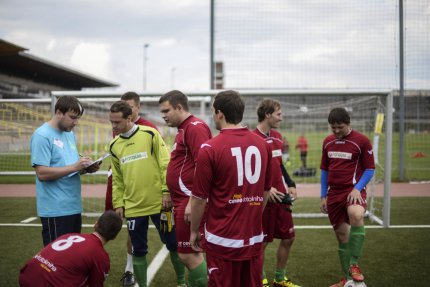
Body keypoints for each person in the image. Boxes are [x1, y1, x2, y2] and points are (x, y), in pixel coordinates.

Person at [190, 90, 272, 287]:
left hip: (222, 240)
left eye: (212, 111)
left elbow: (199, 198)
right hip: (253, 238)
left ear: (219, 113)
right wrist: (250, 213)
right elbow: (266, 191)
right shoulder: (263, 144)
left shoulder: (209, 148)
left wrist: (194, 231)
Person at [105, 92, 183, 286]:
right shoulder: (114, 145)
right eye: (111, 122)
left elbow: (166, 164)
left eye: (117, 122)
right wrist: (119, 203)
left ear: (129, 118)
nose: (113, 127)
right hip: (133, 207)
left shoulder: (150, 134)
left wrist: (166, 192)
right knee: (138, 250)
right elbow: (118, 179)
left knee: (173, 244)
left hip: (159, 203)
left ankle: (182, 282)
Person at [30, 95, 100, 246]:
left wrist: (86, 168)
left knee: (71, 257)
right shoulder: (42, 135)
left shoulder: (69, 134)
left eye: (78, 118)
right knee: (55, 261)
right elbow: (41, 173)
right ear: (58, 113)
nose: (76, 122)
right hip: (55, 209)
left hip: (73, 206)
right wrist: (74, 166)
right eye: (73, 117)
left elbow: (68, 167)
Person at [159, 90, 212, 287]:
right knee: (191, 252)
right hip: (182, 198)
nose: (163, 115)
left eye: (166, 110)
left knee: (188, 254)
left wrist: (192, 201)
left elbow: (204, 164)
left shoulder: (195, 127)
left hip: (190, 199)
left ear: (179, 107)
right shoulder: (183, 129)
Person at [320, 107, 375, 287]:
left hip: (353, 190)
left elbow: (369, 169)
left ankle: (354, 265)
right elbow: (324, 170)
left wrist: (358, 188)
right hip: (334, 194)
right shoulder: (327, 142)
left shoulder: (362, 141)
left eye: (340, 127)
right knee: (343, 238)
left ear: (348, 123)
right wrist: (323, 195)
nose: (336, 131)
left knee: (357, 215)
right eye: (333, 128)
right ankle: (347, 279)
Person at [254, 99, 300, 287]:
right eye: (279, 114)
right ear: (268, 114)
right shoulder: (252, 139)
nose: (281, 118)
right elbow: (249, 173)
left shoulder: (279, 137)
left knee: (288, 238)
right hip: (262, 199)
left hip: (280, 196)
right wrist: (265, 188)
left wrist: (290, 183)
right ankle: (261, 280)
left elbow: (279, 164)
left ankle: (279, 279)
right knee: (261, 242)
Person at [19, 210, 123, 287]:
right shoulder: (101, 256)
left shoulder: (69, 235)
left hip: (25, 276)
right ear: (114, 237)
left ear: (95, 224)